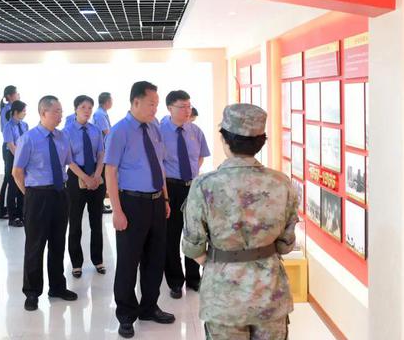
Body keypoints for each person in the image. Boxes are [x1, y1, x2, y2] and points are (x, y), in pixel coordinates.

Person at [182, 104, 298, 340]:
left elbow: (193, 246)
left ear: (225, 140)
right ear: (261, 141)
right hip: (269, 293)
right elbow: (285, 244)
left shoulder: (204, 185)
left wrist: (218, 262)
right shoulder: (281, 183)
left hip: (223, 297)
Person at [104, 81, 175, 339]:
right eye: (151, 104)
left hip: (156, 202)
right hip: (131, 203)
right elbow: (110, 172)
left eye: (156, 104)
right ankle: (126, 315)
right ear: (135, 102)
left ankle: (149, 307)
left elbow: (160, 164)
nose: (155, 108)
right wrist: (117, 211)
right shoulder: (119, 131)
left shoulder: (154, 127)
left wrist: (165, 199)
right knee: (128, 261)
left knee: (155, 258)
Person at [12, 95, 78, 312]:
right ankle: (32, 292)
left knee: (58, 243)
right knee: (35, 245)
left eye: (61, 111)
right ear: (43, 113)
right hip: (37, 196)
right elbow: (17, 172)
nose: (60, 115)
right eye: (56, 111)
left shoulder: (63, 136)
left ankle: (57, 287)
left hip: (60, 194)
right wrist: (30, 195)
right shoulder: (28, 138)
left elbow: (67, 163)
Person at [160, 90, 210, 299]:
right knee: (171, 236)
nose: (187, 110)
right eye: (182, 107)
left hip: (193, 188)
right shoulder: (159, 131)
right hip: (170, 187)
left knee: (195, 233)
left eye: (189, 106)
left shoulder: (195, 131)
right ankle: (174, 281)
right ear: (170, 108)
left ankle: (193, 278)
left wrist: (193, 175)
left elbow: (200, 157)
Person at [63, 95, 106, 279]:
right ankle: (76, 263)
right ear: (75, 109)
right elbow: (68, 159)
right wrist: (85, 178)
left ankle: (98, 260)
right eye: (83, 107)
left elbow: (101, 153)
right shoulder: (67, 131)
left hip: (96, 175)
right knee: (75, 222)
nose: (87, 111)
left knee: (97, 222)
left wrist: (96, 175)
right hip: (76, 176)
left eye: (90, 108)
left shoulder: (95, 130)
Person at [2, 100, 29, 227]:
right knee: (13, 187)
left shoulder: (25, 125)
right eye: (23, 111)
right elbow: (11, 145)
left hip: (23, 156)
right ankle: (13, 217)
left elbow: (27, 142)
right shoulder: (8, 126)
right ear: (16, 112)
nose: (25, 113)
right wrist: (20, 159)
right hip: (13, 157)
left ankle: (21, 215)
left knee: (22, 185)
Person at [0, 85, 20, 219]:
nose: (19, 95)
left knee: (10, 179)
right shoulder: (8, 110)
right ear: (10, 96)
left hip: (14, 147)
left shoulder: (12, 109)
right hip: (9, 148)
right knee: (9, 179)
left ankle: (7, 209)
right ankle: (3, 210)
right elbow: (9, 131)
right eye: (17, 93)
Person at [93, 92, 113, 214]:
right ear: (107, 101)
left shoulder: (102, 113)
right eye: (111, 100)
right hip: (101, 151)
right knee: (103, 178)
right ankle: (99, 204)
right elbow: (107, 132)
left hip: (104, 150)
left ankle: (100, 204)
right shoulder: (100, 114)